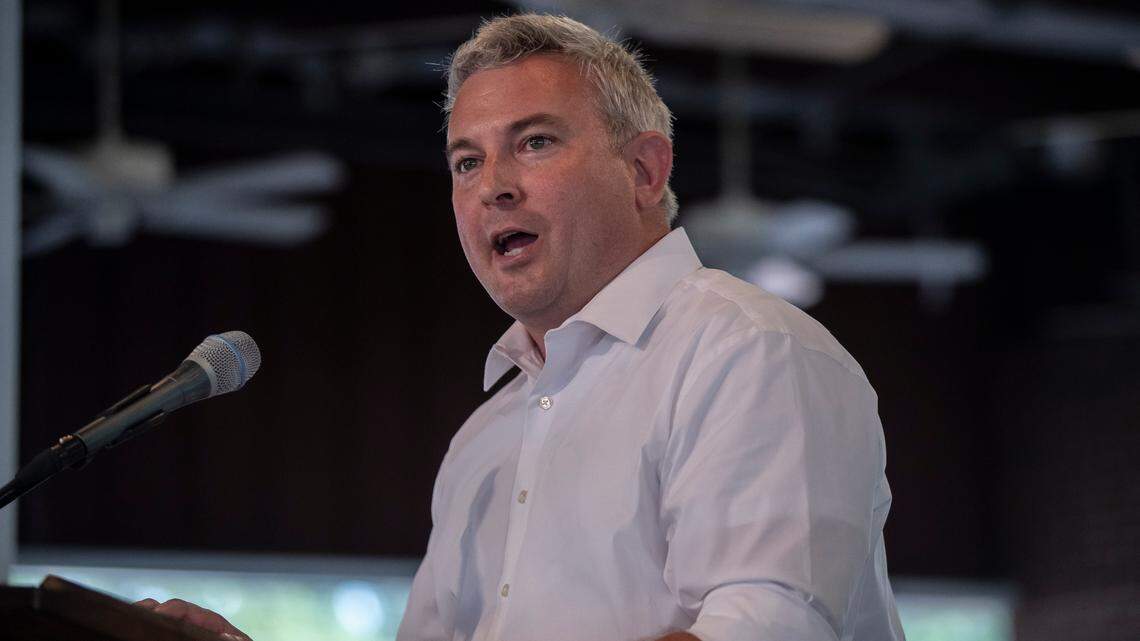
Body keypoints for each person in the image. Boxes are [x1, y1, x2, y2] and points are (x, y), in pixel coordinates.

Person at [141, 13, 905, 641]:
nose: (493, 188)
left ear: (645, 171)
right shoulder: (484, 437)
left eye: (534, 142)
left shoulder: (749, 351)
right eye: (466, 162)